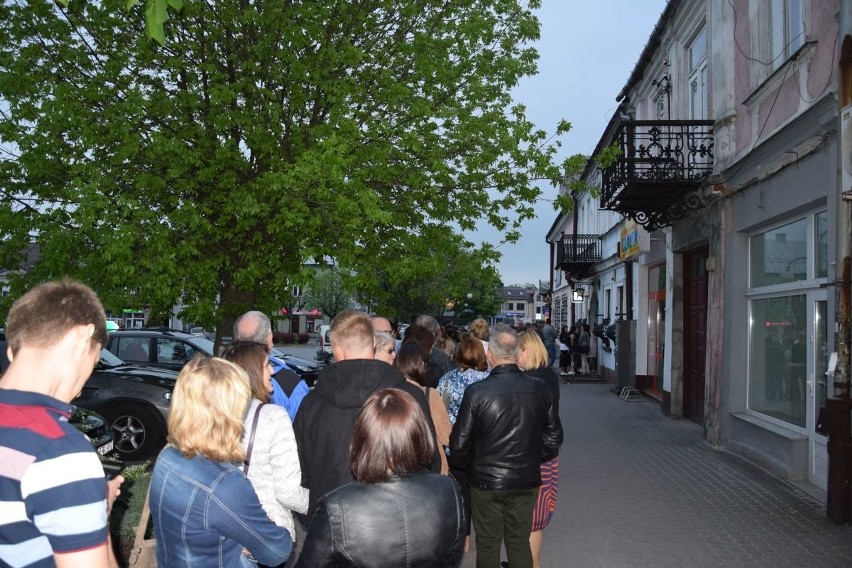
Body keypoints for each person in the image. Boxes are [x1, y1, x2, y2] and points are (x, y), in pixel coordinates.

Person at [0, 279, 124, 568]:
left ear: (13, 351)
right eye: (93, 362)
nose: (81, 388)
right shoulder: (61, 452)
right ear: (83, 337)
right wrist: (98, 517)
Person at [293, 310, 438, 519]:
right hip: (399, 519)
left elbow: (301, 470)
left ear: (336, 350)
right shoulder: (411, 396)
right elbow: (429, 459)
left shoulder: (311, 404)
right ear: (372, 343)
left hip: (333, 521)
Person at [296, 389, 465, 567]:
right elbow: (451, 558)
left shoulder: (336, 508)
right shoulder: (449, 490)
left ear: (362, 439)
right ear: (420, 433)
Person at [150, 356, 292, 567]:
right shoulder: (224, 484)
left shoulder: (167, 456)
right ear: (227, 415)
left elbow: (196, 531)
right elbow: (277, 550)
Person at [449, 324, 563, 568]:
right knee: (519, 541)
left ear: (490, 355)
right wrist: (531, 458)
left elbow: (458, 445)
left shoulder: (477, 392)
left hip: (486, 482)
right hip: (526, 480)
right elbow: (554, 438)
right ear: (516, 352)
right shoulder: (540, 388)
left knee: (488, 543)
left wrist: (473, 467)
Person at [222, 341, 308, 555]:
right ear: (251, 372)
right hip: (264, 531)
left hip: (225, 527)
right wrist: (322, 503)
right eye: (267, 365)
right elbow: (288, 493)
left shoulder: (217, 413)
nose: (272, 371)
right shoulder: (273, 417)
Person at [436, 336, 490, 554]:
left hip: (455, 447)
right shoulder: (488, 379)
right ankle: (488, 537)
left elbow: (440, 411)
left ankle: (464, 539)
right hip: (483, 447)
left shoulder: (446, 379)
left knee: (461, 493)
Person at [518, 331, 562, 568]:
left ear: (528, 351)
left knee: (532, 518)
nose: (515, 356)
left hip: (535, 455)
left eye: (518, 351)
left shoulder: (533, 380)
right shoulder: (548, 375)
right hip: (548, 452)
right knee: (537, 515)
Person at [234, 310, 309, 421]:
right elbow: (304, 428)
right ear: (270, 338)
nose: (271, 371)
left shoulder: (216, 377)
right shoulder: (290, 384)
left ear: (236, 340)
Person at [395, 342, 452, 474]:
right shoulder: (429, 393)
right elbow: (445, 436)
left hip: (400, 464)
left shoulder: (390, 392)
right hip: (432, 468)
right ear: (421, 364)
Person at [414, 314, 453, 385]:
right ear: (434, 334)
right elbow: (449, 383)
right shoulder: (441, 358)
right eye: (438, 331)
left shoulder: (402, 353)